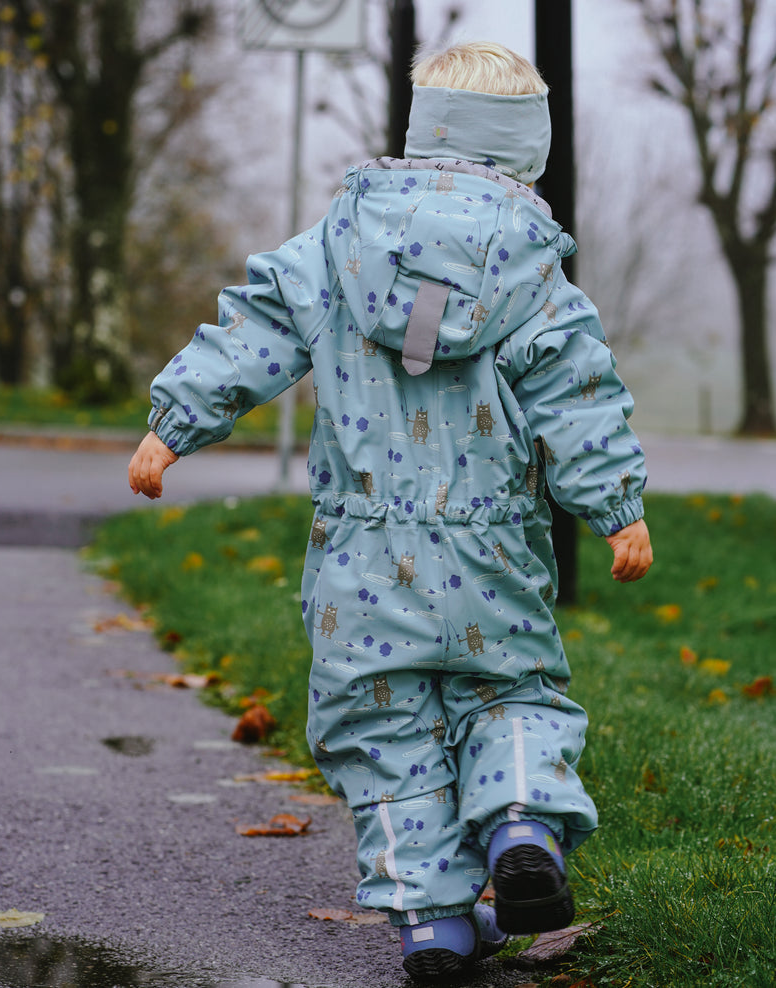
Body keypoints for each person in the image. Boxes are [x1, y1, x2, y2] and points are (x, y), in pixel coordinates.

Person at [129, 41, 653, 981]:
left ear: (422, 133)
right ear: (526, 156)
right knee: (511, 694)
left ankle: (434, 927)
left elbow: (253, 329)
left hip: (361, 563)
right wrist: (616, 507)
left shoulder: (332, 246)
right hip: (492, 553)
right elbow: (579, 391)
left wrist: (171, 426)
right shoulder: (532, 270)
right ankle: (522, 821)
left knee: (383, 731)